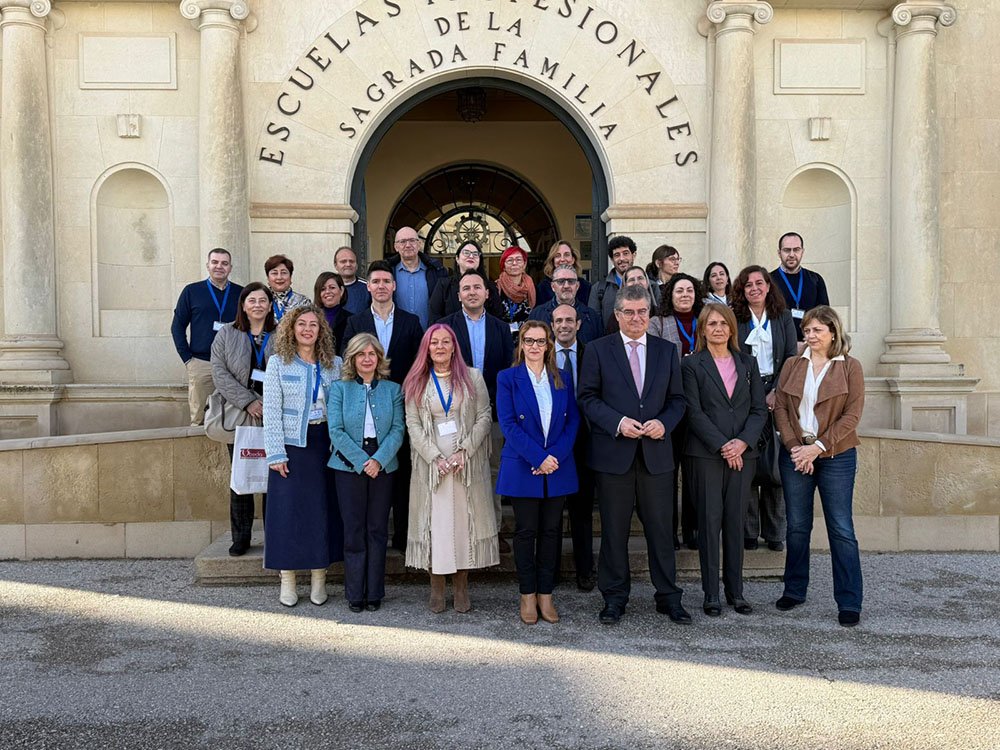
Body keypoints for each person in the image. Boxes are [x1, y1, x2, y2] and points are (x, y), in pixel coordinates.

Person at [578, 285, 689, 625]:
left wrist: (664, 423)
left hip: (656, 455)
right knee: (614, 530)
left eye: (643, 312)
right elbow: (587, 397)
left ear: (650, 315)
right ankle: (614, 598)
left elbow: (678, 401)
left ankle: (668, 597)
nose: (636, 318)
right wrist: (618, 422)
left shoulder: (667, 351)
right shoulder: (597, 350)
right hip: (614, 455)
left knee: (660, 531)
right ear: (617, 314)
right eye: (629, 312)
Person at [773, 306, 865, 627]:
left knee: (841, 528)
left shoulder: (850, 367)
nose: (810, 336)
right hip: (796, 452)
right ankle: (795, 590)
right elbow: (782, 408)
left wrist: (818, 448)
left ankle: (849, 601)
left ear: (833, 334)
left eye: (817, 331)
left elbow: (852, 416)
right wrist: (795, 447)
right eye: (807, 330)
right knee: (797, 526)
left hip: (836, 455)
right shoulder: (791, 365)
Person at [403, 324, 498, 613]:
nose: (441, 347)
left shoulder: (472, 377)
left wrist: (465, 451)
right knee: (436, 526)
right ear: (427, 349)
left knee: (463, 526)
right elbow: (413, 424)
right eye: (435, 343)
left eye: (446, 342)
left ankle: (461, 586)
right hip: (432, 465)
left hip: (464, 463)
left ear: (454, 346)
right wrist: (435, 457)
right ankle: (436, 587)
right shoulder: (416, 380)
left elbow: (484, 415)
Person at [681, 303, 767, 617]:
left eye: (723, 323)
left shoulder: (748, 363)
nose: (718, 328)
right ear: (702, 329)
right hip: (705, 454)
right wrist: (723, 445)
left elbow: (759, 410)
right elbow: (693, 411)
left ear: (732, 328)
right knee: (709, 521)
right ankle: (711, 594)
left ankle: (736, 592)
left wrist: (742, 442)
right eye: (711, 323)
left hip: (743, 455)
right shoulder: (691, 365)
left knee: (735, 521)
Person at [496, 321, 579, 624]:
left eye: (540, 341)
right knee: (526, 531)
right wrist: (538, 457)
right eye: (528, 341)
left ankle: (546, 594)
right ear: (521, 345)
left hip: (557, 466)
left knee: (551, 532)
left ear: (549, 345)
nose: (533, 346)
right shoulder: (508, 378)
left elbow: (573, 423)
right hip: (523, 466)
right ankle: (527, 594)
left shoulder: (562, 379)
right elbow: (507, 424)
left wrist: (553, 457)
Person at [262, 305, 344, 608]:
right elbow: (270, 411)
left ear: (321, 330)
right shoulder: (278, 364)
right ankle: (288, 578)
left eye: (314, 324)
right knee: (288, 514)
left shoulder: (334, 364)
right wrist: (275, 453)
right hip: (292, 448)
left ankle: (320, 577)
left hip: (326, 443)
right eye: (302, 324)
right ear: (291, 329)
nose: (308, 329)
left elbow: (343, 406)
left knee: (322, 512)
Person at [342, 260, 424, 551]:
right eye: (375, 281)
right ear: (369, 287)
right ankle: (368, 540)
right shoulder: (355, 321)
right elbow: (347, 363)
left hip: (400, 405)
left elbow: (419, 364)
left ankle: (401, 537)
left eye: (386, 281)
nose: (381, 286)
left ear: (394, 286)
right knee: (368, 471)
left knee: (400, 471)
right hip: (365, 407)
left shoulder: (411, 322)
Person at [327, 333, 405, 612]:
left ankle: (374, 592)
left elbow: (398, 430)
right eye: (361, 354)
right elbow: (335, 430)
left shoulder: (393, 390)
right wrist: (363, 461)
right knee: (354, 530)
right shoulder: (339, 389)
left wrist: (379, 460)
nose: (367, 359)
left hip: (383, 465)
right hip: (349, 466)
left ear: (379, 358)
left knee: (377, 529)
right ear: (352, 358)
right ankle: (354, 593)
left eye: (372, 354)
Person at [731, 265, 797, 552]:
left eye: (760, 283)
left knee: (776, 468)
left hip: (777, 392)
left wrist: (775, 391)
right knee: (747, 464)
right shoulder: (736, 317)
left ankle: (775, 533)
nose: (754, 288)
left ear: (769, 287)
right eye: (748, 285)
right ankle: (748, 532)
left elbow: (791, 357)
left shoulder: (782, 317)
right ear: (741, 290)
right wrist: (755, 394)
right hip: (746, 393)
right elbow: (732, 356)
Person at [210, 282, 276, 556]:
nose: (258, 305)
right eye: (252, 300)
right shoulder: (227, 333)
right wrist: (248, 401)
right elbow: (219, 372)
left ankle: (274, 535)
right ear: (244, 305)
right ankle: (241, 537)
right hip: (240, 414)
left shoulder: (281, 333)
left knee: (274, 477)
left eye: (263, 300)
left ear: (270, 306)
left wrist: (267, 402)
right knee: (241, 477)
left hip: (273, 414)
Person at [648, 272, 703, 549]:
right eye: (679, 290)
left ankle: (692, 530)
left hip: (700, 408)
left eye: (690, 291)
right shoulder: (656, 323)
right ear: (669, 294)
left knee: (693, 473)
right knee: (668, 475)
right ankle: (669, 532)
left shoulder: (704, 322)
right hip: (668, 407)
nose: (685, 295)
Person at [551, 303, 595, 590]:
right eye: (558, 321)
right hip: (551, 443)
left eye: (569, 320)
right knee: (552, 511)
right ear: (552, 325)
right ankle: (550, 571)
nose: (564, 325)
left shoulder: (594, 352)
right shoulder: (540, 353)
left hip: (586, 441)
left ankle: (585, 571)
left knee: (582, 510)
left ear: (578, 324)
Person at [171, 248, 243, 425]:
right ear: (208, 265)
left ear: (230, 267)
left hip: (232, 364)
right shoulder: (192, 291)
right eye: (215, 262)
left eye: (224, 263)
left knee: (232, 414)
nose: (219, 266)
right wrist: (188, 360)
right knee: (199, 417)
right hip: (202, 363)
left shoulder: (241, 293)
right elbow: (177, 327)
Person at [772, 232, 830, 340]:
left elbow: (825, 316)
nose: (792, 254)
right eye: (787, 250)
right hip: (780, 345)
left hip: (810, 343)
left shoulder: (816, 279)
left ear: (802, 252)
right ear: (779, 253)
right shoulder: (768, 281)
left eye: (796, 249)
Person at [389, 226, 448, 329]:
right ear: (396, 247)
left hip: (429, 337)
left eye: (412, 240)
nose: (408, 245)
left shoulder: (436, 271)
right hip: (399, 337)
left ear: (419, 244)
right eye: (402, 241)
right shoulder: (388, 272)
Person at [428, 240, 502, 323]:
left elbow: (497, 320)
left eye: (475, 254)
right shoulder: (444, 285)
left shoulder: (490, 287)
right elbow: (434, 318)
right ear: (457, 258)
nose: (471, 256)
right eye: (466, 253)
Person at [528, 264, 603, 345]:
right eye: (561, 281)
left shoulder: (592, 317)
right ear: (553, 286)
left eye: (571, 281)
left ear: (577, 286)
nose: (566, 286)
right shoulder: (537, 315)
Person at [589, 235, 636, 329]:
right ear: (612, 259)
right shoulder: (598, 289)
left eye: (625, 253)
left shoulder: (650, 286)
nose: (621, 258)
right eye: (617, 255)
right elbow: (594, 323)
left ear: (634, 255)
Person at [535, 240, 592, 307]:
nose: (562, 259)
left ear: (573, 259)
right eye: (557, 256)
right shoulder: (543, 287)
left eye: (566, 255)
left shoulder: (585, 286)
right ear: (553, 261)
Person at [495, 245, 535, 338]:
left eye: (518, 260)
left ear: (524, 264)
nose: (514, 263)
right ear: (503, 266)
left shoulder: (532, 287)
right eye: (509, 260)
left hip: (527, 340)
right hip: (502, 339)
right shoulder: (496, 288)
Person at [313, 271, 352, 354]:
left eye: (332, 288)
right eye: (323, 289)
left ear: (341, 291)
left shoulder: (352, 320)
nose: (327, 292)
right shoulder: (312, 317)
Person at [265, 254, 310, 323]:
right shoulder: (261, 301)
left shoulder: (303, 302)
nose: (279, 277)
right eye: (274, 273)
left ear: (290, 277)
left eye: (284, 273)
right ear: (268, 278)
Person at [334, 246, 371, 315]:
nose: (348, 264)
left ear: (356, 265)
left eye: (351, 261)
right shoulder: (327, 288)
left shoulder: (368, 287)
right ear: (335, 265)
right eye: (343, 261)